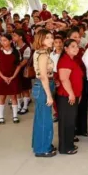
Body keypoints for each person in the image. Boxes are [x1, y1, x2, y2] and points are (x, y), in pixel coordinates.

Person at [31, 29, 57, 157]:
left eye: (51, 37)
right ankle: (42, 148)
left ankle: (41, 144)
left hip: (43, 86)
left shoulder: (43, 52)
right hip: (43, 87)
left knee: (41, 117)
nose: (51, 40)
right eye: (47, 38)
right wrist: (49, 95)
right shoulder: (43, 54)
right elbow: (43, 76)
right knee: (44, 119)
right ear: (40, 39)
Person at [56, 39, 83, 154]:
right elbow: (63, 79)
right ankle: (65, 147)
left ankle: (69, 144)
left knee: (71, 121)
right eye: (72, 46)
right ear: (66, 48)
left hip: (72, 95)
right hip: (66, 96)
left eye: (77, 46)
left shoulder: (72, 60)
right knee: (66, 122)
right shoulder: (65, 61)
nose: (76, 48)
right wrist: (72, 94)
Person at [0, 34, 22, 124]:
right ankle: (1, 117)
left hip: (13, 77)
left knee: (13, 96)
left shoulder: (16, 52)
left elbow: (18, 65)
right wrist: (3, 77)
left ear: (10, 41)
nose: (3, 42)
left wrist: (13, 76)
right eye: (1, 40)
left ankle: (15, 115)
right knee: (2, 97)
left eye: (5, 40)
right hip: (2, 77)